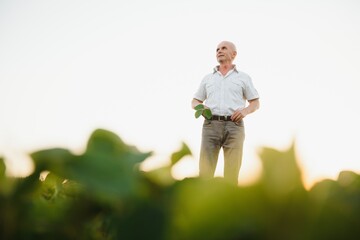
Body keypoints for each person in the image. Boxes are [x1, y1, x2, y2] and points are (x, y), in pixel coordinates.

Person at [192, 41, 260, 185]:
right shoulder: (208, 78)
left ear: (234, 54)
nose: (219, 51)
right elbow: (194, 102)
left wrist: (245, 111)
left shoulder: (243, 78)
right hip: (211, 126)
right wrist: (202, 108)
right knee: (205, 173)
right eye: (217, 49)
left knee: (232, 173)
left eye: (223, 48)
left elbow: (255, 103)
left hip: (235, 126)